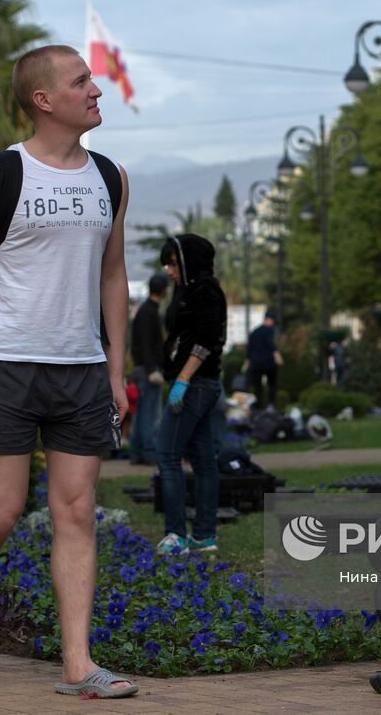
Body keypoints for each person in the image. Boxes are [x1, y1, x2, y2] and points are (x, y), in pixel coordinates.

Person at [0, 44, 135, 698]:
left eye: (92, 80)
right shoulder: (0, 175)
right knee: (1, 510)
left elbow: (113, 275)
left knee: (77, 510)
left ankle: (78, 663)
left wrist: (116, 371)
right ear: (44, 100)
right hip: (3, 361)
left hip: (81, 366)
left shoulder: (111, 177)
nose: (95, 90)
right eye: (80, 82)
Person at [156, 233, 227, 555]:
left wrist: (183, 380)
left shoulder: (206, 290)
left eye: (173, 263)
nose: (169, 271)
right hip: (197, 384)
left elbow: (206, 339)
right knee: (202, 459)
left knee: (168, 455)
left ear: (189, 261)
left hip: (195, 385)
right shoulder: (188, 290)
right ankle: (203, 535)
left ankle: (176, 534)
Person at [129, 273, 169, 465]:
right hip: (147, 370)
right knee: (150, 413)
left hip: (143, 368)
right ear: (164, 290)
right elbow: (146, 344)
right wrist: (153, 368)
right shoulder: (149, 312)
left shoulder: (146, 310)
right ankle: (148, 452)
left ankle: (137, 452)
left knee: (142, 411)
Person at [245, 310, 281, 407]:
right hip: (268, 363)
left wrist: (247, 361)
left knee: (257, 387)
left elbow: (249, 348)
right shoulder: (269, 330)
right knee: (272, 385)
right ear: (270, 320)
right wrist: (276, 354)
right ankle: (271, 405)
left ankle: (258, 406)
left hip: (256, 363)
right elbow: (270, 343)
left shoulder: (254, 332)